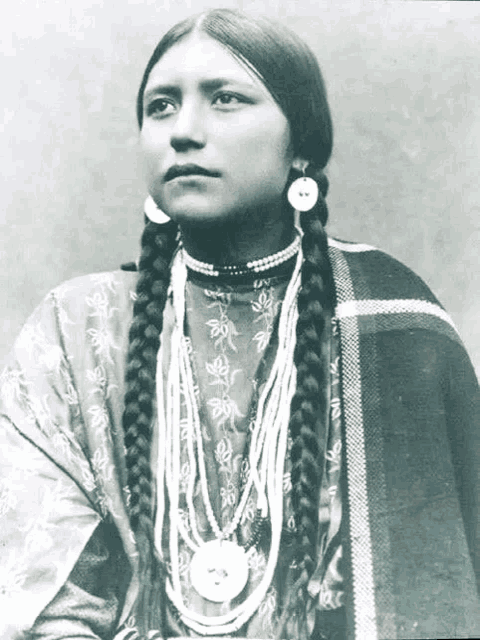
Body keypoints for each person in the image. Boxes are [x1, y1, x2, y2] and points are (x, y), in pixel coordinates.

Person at [0, 8, 478, 640]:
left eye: (227, 100)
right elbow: (47, 596)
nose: (184, 132)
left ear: (302, 145)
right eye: (162, 106)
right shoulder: (76, 330)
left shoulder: (391, 321)